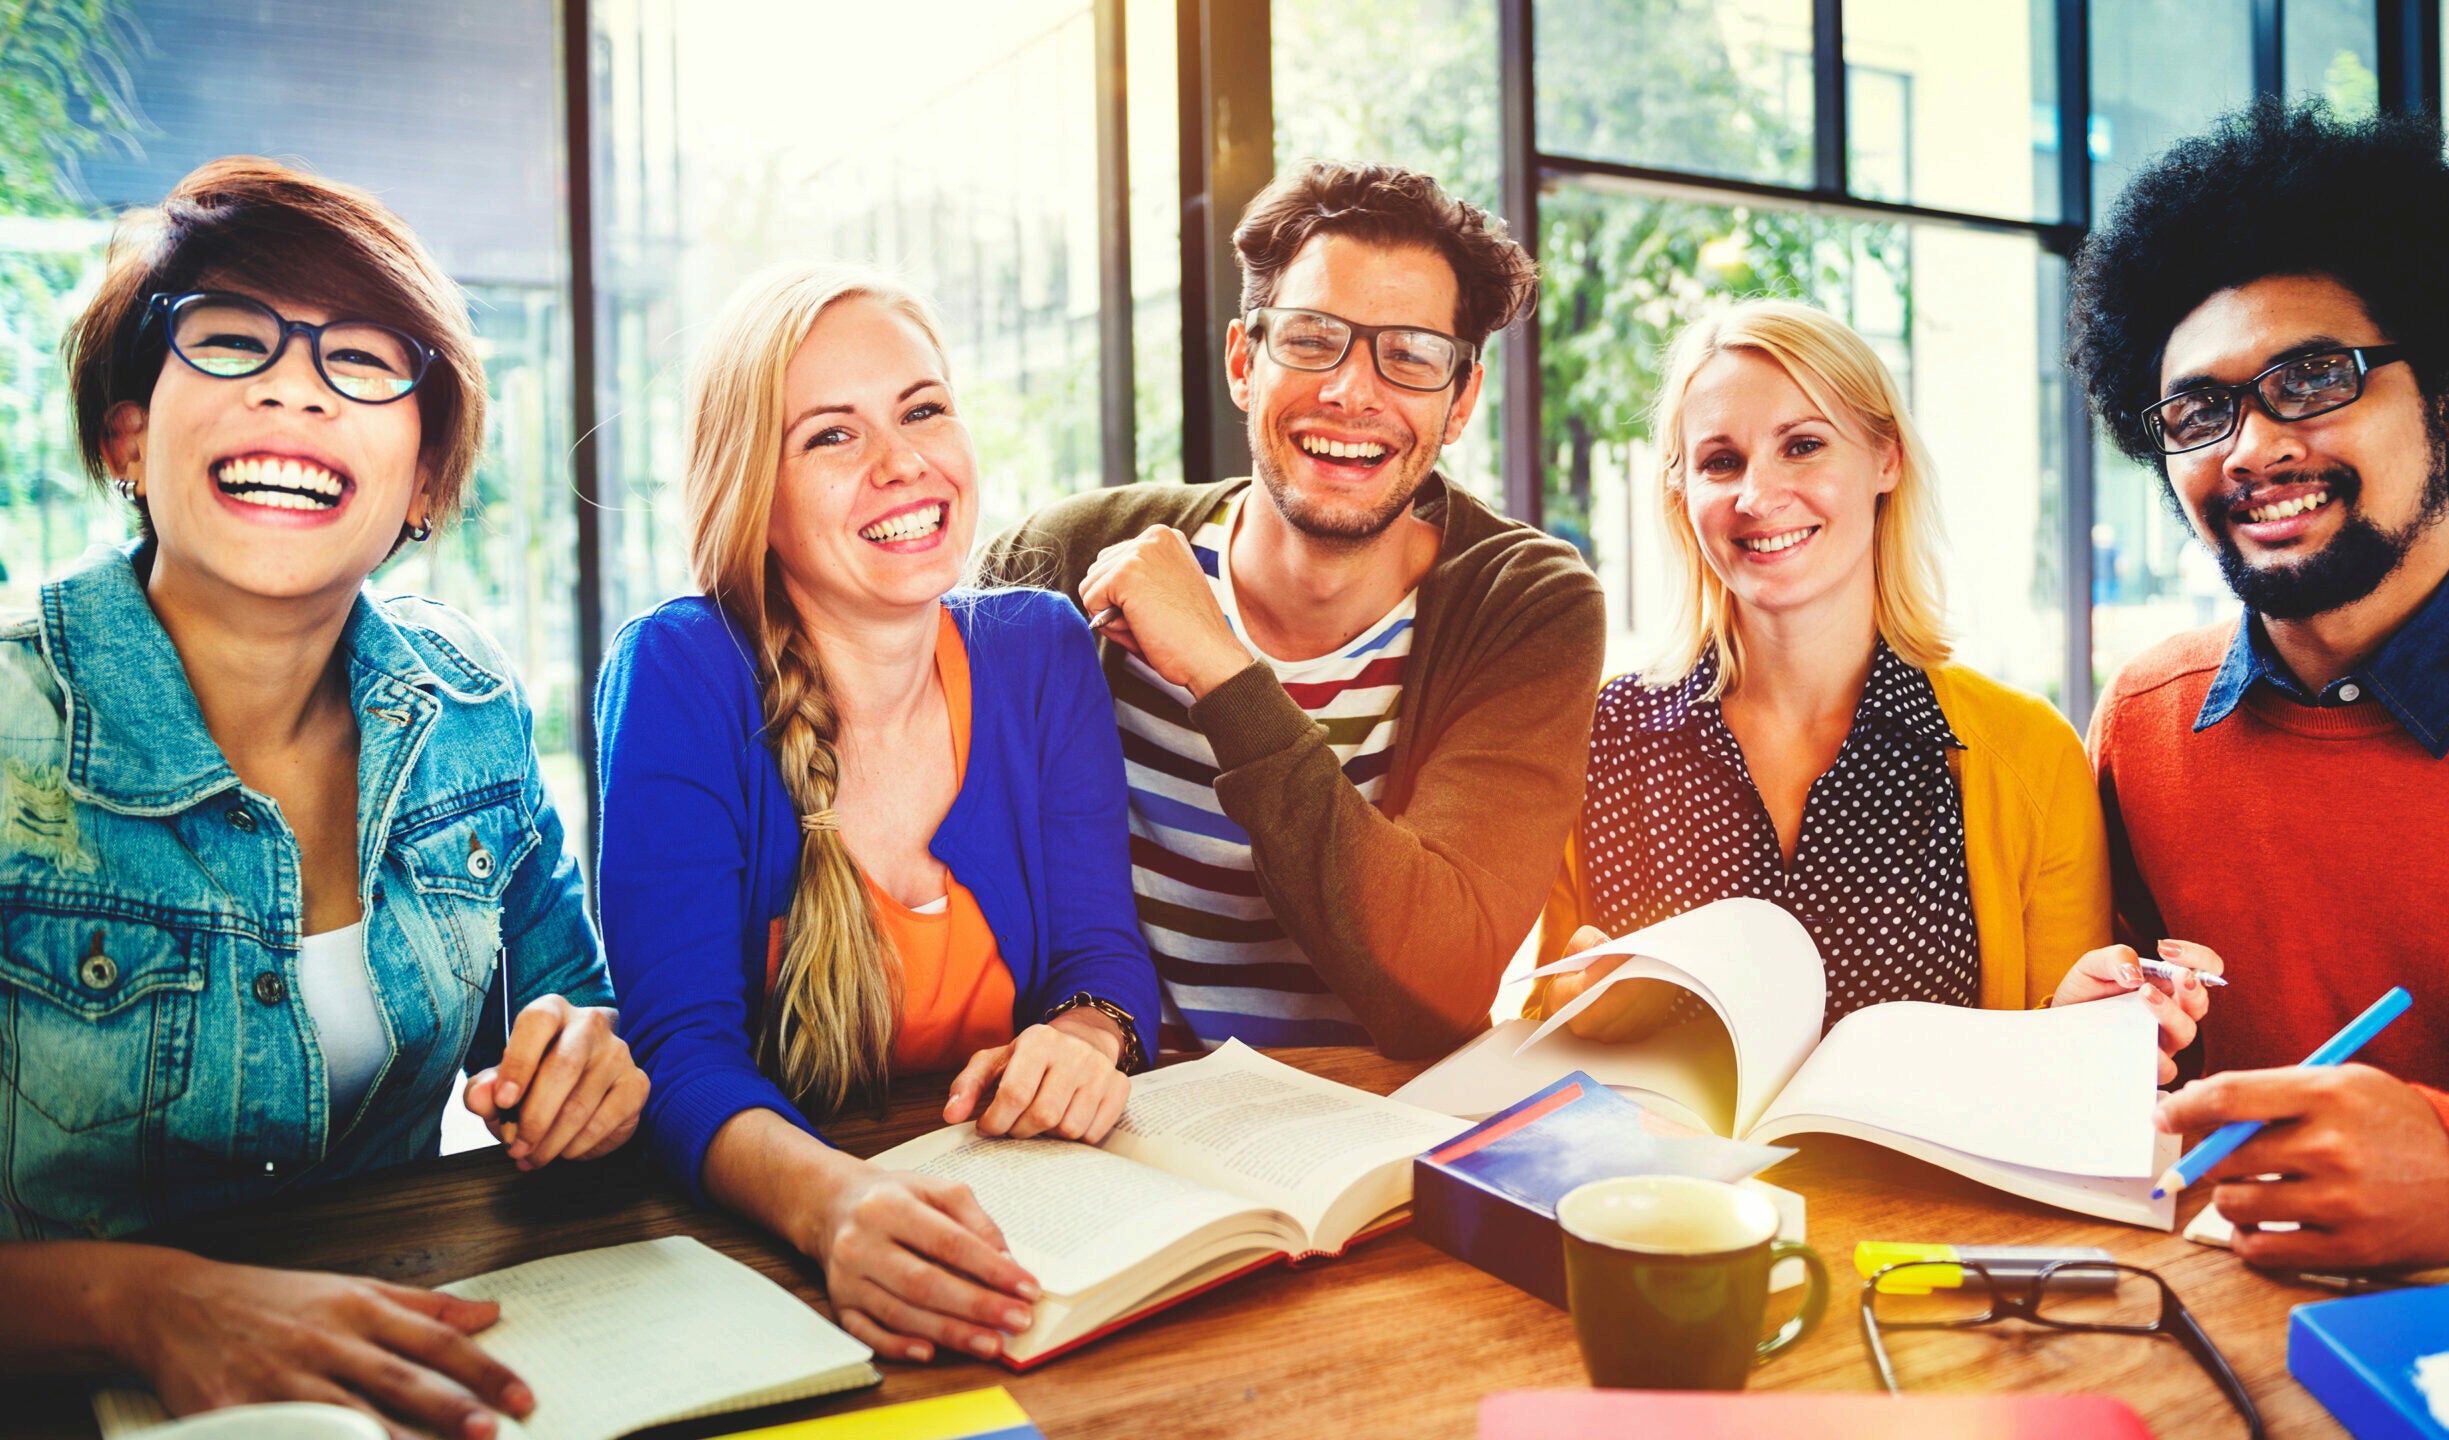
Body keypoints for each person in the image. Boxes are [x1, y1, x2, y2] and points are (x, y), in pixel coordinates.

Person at [0, 158, 642, 1439]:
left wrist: (590, 1063)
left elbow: (578, 1004)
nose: (294, 384)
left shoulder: (469, 710)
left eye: (361, 360)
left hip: (412, 1367)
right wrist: (146, 1307)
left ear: (420, 483)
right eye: (231, 342)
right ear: (130, 434)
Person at [595, 263, 1158, 1366]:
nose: (904, 464)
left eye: (923, 409)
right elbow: (678, 1054)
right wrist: (833, 1210)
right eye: (831, 437)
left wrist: (1089, 1036)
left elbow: (1103, 949)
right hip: (768, 1263)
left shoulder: (1040, 650)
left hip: (1033, 1235)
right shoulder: (679, 672)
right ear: (751, 491)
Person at [2071, 98, 2449, 1270]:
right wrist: (2093, 1034)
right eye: (2201, 410)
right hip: (2220, 1341)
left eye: (2312, 379)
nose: (2251, 448)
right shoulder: (2144, 723)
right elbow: (2120, 1064)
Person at [980, 160, 1607, 1058]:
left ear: (1461, 401)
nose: (1353, 392)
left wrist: (1223, 672)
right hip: (1100, 1120)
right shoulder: (1062, 560)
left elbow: (1439, 989)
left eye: (1412, 356)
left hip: (1368, 1147)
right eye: (1313, 339)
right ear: (1244, 361)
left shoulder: (1524, 604)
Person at [1534, 299, 2214, 1079]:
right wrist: (1568, 1013)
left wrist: (2088, 1034)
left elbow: (2056, 1066)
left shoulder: (2026, 757)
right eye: (1721, 461)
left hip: (1919, 1205)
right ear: (1681, 493)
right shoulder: (1597, 737)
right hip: (1660, 1197)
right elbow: (1537, 1029)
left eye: (1804, 445)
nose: (1758, 495)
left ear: (1885, 459)